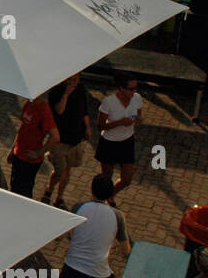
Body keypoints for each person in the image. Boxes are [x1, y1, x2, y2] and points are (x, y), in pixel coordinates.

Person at [56, 173, 132, 278]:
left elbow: (59, 236)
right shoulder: (118, 216)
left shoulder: (78, 207)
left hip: (72, 269)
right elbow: (126, 251)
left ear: (91, 190)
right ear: (111, 193)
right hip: (99, 274)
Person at [41, 72, 91, 208]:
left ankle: (59, 197)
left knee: (67, 170)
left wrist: (87, 128)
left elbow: (84, 111)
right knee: (59, 171)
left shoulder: (81, 89)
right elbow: (59, 111)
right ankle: (49, 190)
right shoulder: (56, 91)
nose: (73, 82)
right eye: (70, 80)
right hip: (60, 141)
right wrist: (66, 94)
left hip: (75, 139)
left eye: (76, 79)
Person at [96, 75, 142, 203]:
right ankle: (104, 199)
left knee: (127, 179)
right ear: (121, 88)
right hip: (109, 142)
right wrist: (120, 122)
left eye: (136, 88)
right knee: (107, 177)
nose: (134, 92)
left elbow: (139, 116)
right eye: (131, 89)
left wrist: (137, 120)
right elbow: (100, 126)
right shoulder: (109, 102)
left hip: (127, 141)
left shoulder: (136, 98)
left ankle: (110, 195)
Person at [8, 92, 58, 199]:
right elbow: (22, 129)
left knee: (24, 192)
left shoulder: (44, 110)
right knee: (14, 187)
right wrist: (13, 149)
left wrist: (39, 153)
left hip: (29, 160)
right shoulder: (29, 104)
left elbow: (55, 136)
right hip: (19, 154)